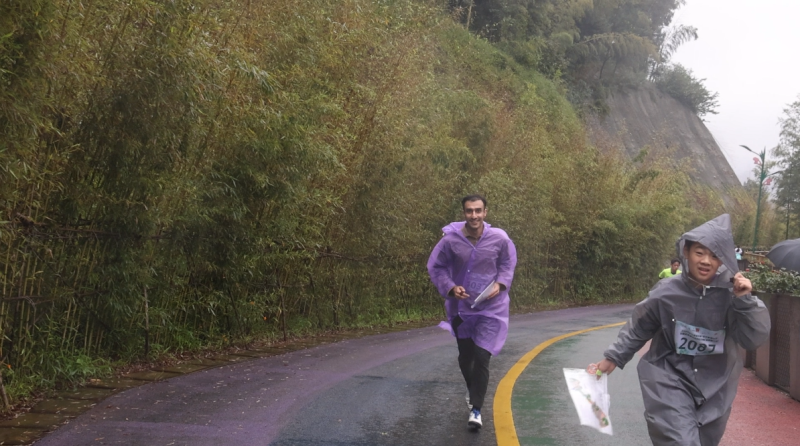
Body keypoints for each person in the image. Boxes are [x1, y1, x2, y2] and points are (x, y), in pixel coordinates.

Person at [589, 214, 770, 446]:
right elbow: (639, 327)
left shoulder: (732, 295)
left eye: (715, 255)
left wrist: (745, 300)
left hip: (716, 385)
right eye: (699, 253)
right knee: (680, 440)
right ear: (686, 252)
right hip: (669, 376)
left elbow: (753, 338)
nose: (706, 261)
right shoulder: (666, 292)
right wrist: (613, 357)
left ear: (723, 260)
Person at [427, 194, 517, 430]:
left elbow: (507, 263)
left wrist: (501, 283)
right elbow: (436, 266)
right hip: (461, 308)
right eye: (469, 211)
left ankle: (476, 410)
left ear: (485, 212)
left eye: (478, 210)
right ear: (464, 213)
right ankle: (473, 389)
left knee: (482, 356)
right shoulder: (450, 241)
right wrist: (450, 287)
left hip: (491, 308)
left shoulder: (499, 238)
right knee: (466, 356)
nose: (474, 215)